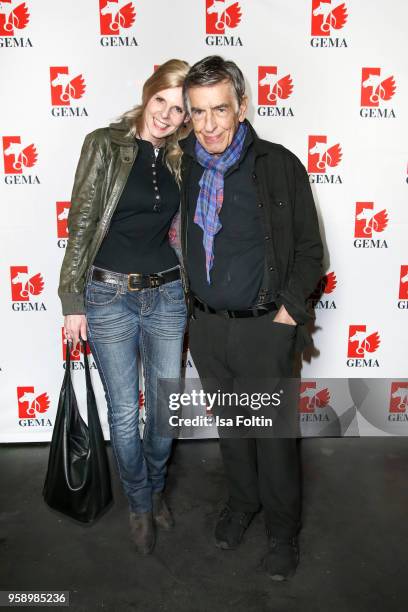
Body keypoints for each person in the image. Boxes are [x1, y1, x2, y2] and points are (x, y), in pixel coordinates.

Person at [179, 56, 323, 580]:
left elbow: (310, 250)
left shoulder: (278, 164)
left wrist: (288, 313)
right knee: (233, 430)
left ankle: (283, 533)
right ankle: (242, 505)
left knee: (273, 437)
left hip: (265, 326)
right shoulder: (185, 166)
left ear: (242, 105)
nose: (210, 124)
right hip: (209, 326)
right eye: (198, 112)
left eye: (220, 109)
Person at [58, 60, 190, 555]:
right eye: (162, 100)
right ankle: (139, 501)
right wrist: (72, 299)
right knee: (121, 410)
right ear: (147, 94)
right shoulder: (103, 144)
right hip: (108, 294)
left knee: (163, 409)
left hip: (169, 294)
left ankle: (155, 489)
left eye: (178, 109)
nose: (166, 114)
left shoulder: (181, 157)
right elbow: (82, 222)